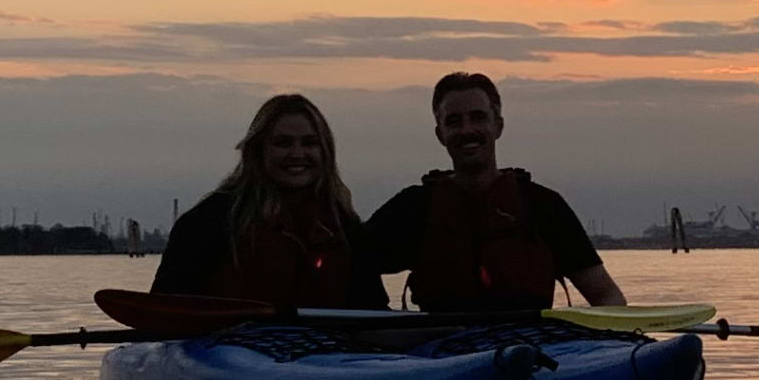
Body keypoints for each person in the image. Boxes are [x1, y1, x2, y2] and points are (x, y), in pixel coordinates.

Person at [360, 72, 629, 313]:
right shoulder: (413, 208)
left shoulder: (543, 206)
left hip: (529, 353)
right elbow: (349, 262)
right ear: (440, 134)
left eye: (478, 118)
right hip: (442, 355)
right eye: (454, 122)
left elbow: (606, 295)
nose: (467, 130)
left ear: (498, 126)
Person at [151, 93, 384, 309]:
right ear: (258, 150)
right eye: (283, 143)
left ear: (325, 152)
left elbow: (373, 311)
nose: (297, 154)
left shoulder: (344, 226)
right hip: (229, 347)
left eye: (309, 143)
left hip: (327, 348)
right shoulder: (208, 221)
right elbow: (163, 311)